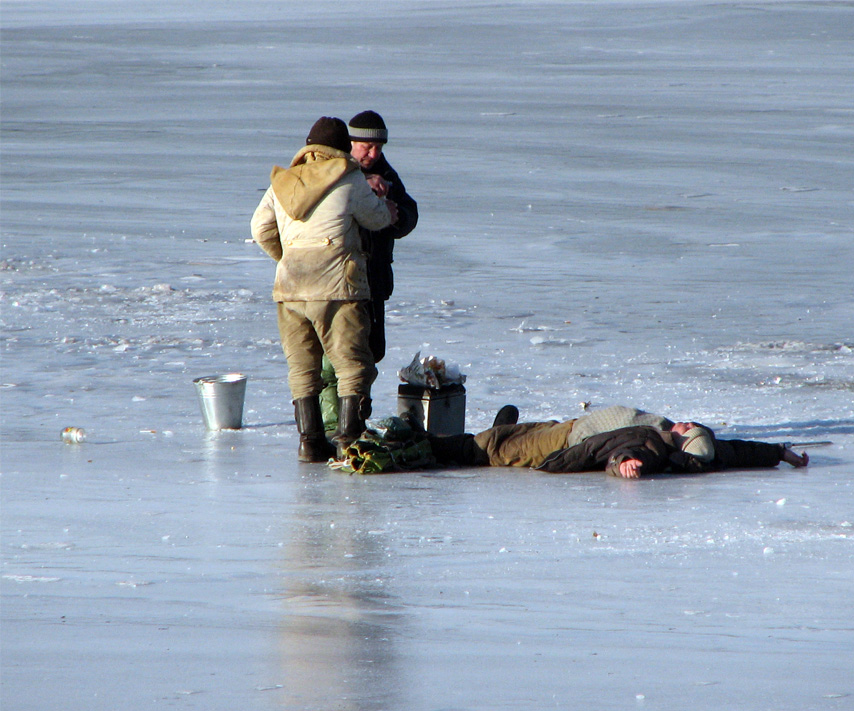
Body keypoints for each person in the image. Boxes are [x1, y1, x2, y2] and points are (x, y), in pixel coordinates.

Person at [250, 117, 399, 462]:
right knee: (352, 367)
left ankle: (310, 443)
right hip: (336, 289)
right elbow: (376, 218)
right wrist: (390, 211)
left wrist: (288, 258)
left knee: (303, 369)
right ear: (341, 148)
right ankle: (348, 441)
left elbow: (260, 229)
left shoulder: (281, 183)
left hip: (290, 289)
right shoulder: (348, 178)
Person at [320, 110, 418, 432]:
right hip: (336, 279)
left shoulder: (386, 173)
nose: (373, 154)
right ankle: (336, 425)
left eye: (379, 148)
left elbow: (409, 213)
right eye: (366, 147)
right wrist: (363, 186)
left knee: (371, 352)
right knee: (336, 356)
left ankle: (355, 416)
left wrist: (393, 213)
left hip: (373, 280)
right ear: (351, 143)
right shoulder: (334, 167)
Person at [427, 405, 809, 479]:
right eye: (697, 426)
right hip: (575, 423)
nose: (690, 424)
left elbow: (624, 452)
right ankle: (505, 426)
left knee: (493, 448)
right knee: (518, 430)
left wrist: (623, 465)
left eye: (689, 430)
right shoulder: (691, 441)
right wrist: (780, 453)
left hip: (568, 439)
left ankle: (423, 444)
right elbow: (737, 450)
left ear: (681, 444)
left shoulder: (653, 445)